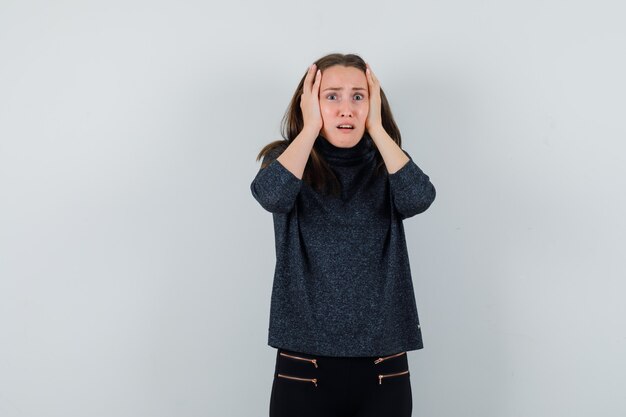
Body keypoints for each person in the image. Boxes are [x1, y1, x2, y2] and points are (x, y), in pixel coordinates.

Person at [250, 53, 436, 417]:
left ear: (374, 103)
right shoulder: (287, 159)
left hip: (384, 362)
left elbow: (419, 198)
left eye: (358, 96)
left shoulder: (389, 161)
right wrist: (308, 130)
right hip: (305, 363)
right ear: (309, 102)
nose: (346, 109)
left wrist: (379, 130)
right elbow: (270, 195)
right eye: (331, 96)